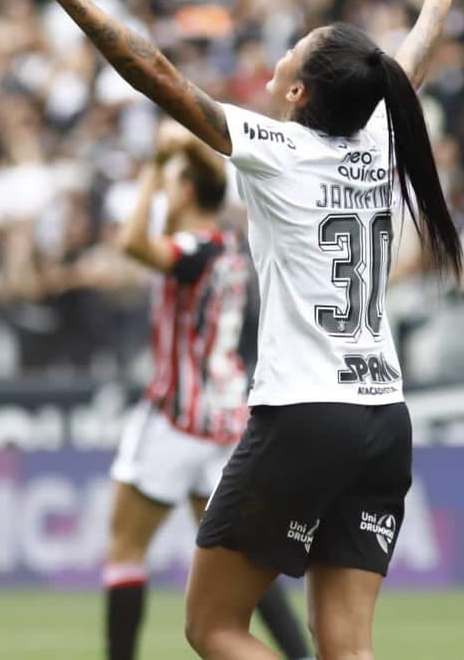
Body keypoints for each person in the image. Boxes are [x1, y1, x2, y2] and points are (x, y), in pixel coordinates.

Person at [0, 0, 464, 658]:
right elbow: (406, 67)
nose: (278, 55)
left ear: (299, 90)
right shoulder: (379, 137)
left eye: (292, 50)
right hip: (384, 420)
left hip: (306, 413)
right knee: (348, 647)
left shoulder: (280, 151)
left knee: (211, 626)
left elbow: (159, 76)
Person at [105, 119, 312, 660]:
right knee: (236, 560)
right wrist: (188, 150)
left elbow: (131, 243)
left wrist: (154, 164)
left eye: (174, 184)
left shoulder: (192, 249)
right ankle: (300, 654)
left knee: (124, 551)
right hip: (225, 423)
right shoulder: (230, 248)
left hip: (177, 418)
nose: (164, 196)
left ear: (189, 190)